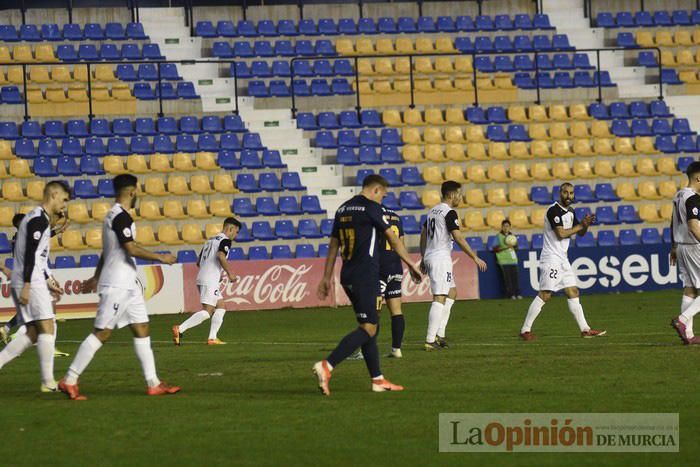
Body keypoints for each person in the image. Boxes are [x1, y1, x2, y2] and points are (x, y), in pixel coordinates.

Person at [58, 174, 180, 400]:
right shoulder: (121, 217)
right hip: (118, 284)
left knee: (142, 327)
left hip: (129, 284)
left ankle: (153, 382)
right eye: (137, 191)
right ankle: (70, 379)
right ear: (132, 191)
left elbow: (108, 251)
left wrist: (95, 276)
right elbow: (130, 249)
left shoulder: (114, 216)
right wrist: (160, 257)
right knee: (102, 332)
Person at [314, 175, 422, 395]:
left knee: (369, 324)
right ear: (375, 190)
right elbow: (393, 239)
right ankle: (327, 365)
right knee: (369, 327)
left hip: (347, 275)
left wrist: (326, 277)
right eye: (383, 194)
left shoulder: (342, 209)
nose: (383, 199)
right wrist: (411, 263)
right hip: (366, 275)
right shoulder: (372, 208)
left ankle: (378, 379)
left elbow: (333, 245)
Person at [0, 181, 70, 392]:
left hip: (29, 278)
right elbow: (30, 253)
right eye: (64, 199)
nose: (65, 205)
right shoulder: (38, 220)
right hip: (28, 279)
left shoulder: (40, 219)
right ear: (54, 195)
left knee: (32, 332)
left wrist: (49, 281)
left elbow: (38, 257)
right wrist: (28, 285)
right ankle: (48, 382)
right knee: (48, 326)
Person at [520, 182, 606, 340]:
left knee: (573, 291)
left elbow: (579, 233)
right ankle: (525, 330)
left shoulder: (571, 212)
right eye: (566, 193)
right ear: (560, 193)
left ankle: (585, 329)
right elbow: (561, 234)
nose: (569, 196)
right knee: (545, 295)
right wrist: (580, 226)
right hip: (551, 258)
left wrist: (585, 225)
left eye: (571, 193)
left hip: (562, 259)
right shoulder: (553, 211)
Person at [420, 181, 487, 351]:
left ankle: (440, 333)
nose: (460, 197)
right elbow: (458, 237)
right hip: (440, 258)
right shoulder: (450, 213)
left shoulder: (432, 211)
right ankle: (430, 339)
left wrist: (423, 256)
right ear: (451, 195)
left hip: (432, 256)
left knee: (452, 292)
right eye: (459, 194)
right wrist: (474, 257)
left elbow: (423, 234)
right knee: (440, 296)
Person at [172, 217, 241, 346]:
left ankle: (212, 338)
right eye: (236, 232)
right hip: (209, 279)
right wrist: (229, 273)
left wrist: (215, 272)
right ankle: (180, 328)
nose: (236, 235)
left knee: (221, 306)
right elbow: (220, 256)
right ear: (230, 228)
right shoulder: (225, 241)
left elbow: (199, 262)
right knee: (207, 312)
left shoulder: (210, 240)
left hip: (204, 276)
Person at [670, 161, 700, 345]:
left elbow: (672, 222)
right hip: (694, 245)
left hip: (681, 246)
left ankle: (688, 334)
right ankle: (681, 320)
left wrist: (673, 246)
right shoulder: (693, 198)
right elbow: (692, 224)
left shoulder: (678, 195)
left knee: (690, 288)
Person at [491, 219, 522, 300]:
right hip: (503, 260)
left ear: (510, 227)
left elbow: (516, 247)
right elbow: (494, 248)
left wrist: (514, 246)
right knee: (507, 278)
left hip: (513, 260)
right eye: (504, 226)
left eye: (507, 226)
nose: (506, 228)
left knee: (515, 277)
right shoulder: (498, 236)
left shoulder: (512, 236)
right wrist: (505, 247)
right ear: (502, 227)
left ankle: (517, 293)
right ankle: (510, 294)